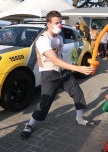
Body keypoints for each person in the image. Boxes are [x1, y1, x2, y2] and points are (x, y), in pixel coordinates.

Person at [21, 11, 96, 139]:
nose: (59, 26)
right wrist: (78, 68)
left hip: (63, 72)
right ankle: (30, 124)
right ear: (48, 24)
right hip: (49, 74)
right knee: (45, 103)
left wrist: (70, 67)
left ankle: (80, 118)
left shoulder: (59, 37)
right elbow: (54, 60)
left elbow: (60, 57)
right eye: (56, 23)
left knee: (77, 92)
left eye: (60, 22)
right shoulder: (43, 40)